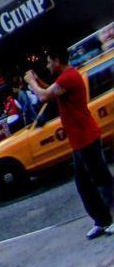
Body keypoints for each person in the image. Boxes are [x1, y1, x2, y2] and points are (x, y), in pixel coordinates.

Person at [26, 45, 113, 239]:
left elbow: (44, 95)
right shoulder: (64, 78)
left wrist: (31, 81)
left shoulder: (69, 77)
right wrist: (38, 80)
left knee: (102, 179)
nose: (47, 65)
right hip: (79, 141)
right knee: (84, 185)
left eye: (49, 61)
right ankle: (102, 220)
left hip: (87, 137)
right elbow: (51, 92)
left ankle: (111, 218)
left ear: (57, 61)